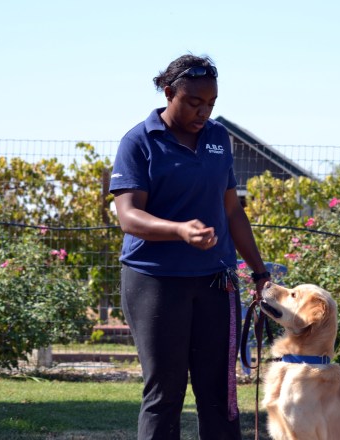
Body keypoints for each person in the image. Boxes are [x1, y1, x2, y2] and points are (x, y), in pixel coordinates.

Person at [109, 53, 271, 440]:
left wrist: (260, 272)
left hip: (216, 282)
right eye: (195, 102)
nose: (204, 112)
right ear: (169, 93)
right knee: (165, 392)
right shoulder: (138, 141)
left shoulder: (218, 138)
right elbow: (129, 216)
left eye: (211, 104)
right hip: (155, 281)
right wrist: (179, 231)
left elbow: (232, 211)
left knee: (218, 392)